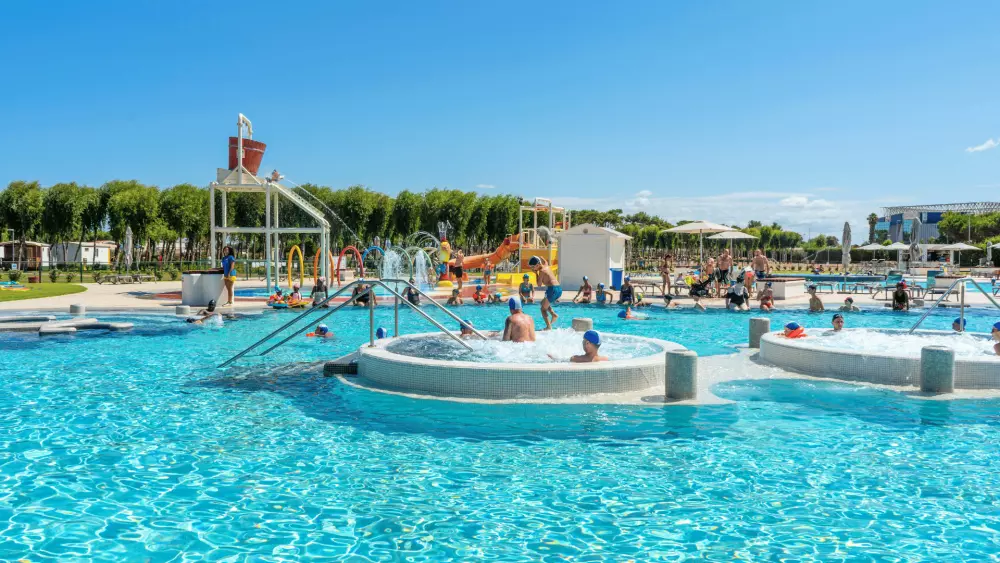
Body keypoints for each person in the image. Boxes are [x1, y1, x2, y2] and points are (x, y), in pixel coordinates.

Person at [529, 256, 561, 330]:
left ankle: (549, 327)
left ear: (538, 265)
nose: (532, 269)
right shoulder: (546, 266)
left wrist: (536, 273)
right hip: (558, 289)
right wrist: (542, 258)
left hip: (552, 289)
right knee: (542, 302)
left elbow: (539, 284)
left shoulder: (541, 271)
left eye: (533, 267)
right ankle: (553, 315)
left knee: (543, 309)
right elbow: (545, 261)